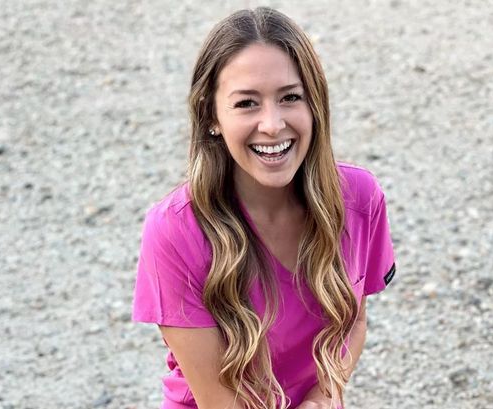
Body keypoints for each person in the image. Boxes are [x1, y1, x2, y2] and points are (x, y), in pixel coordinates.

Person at [132, 7, 396, 409]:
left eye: (290, 97)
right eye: (246, 103)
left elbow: (355, 321)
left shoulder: (359, 198)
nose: (272, 124)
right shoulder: (174, 230)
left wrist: (325, 395)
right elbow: (219, 401)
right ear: (211, 116)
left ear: (315, 105)